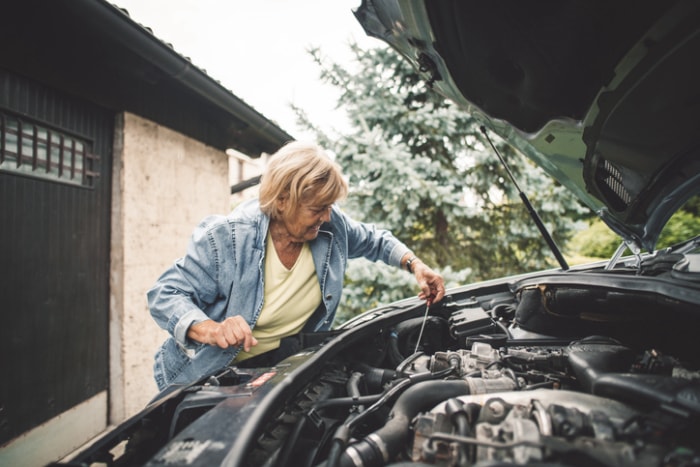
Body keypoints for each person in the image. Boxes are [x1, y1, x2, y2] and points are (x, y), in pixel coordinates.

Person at [147, 141, 446, 390]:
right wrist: (210, 329)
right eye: (317, 209)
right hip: (205, 377)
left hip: (274, 371)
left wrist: (414, 264)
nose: (327, 217)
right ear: (281, 201)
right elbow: (165, 294)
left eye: (329, 207)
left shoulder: (331, 227)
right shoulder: (228, 238)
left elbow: (374, 240)